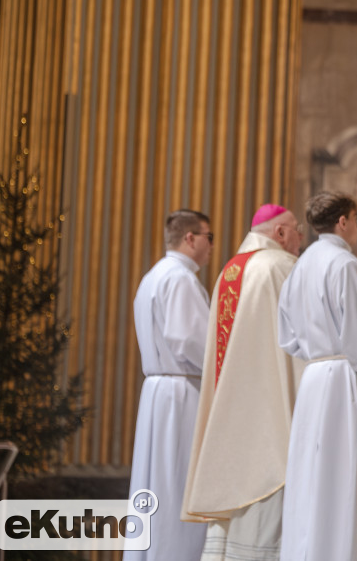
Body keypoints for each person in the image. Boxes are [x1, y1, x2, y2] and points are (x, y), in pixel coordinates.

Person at [181, 204, 305, 561]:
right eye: (296, 230)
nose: (300, 238)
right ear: (280, 233)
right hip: (271, 411)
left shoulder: (230, 270)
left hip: (231, 409)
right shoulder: (282, 267)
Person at [278, 192, 357, 561]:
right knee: (345, 476)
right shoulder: (345, 263)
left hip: (313, 379)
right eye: (356, 220)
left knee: (312, 476)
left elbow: (288, 336)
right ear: (343, 221)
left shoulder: (302, 263)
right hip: (345, 379)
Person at [126, 209, 213, 561]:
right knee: (177, 487)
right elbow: (189, 340)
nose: (211, 246)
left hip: (159, 392)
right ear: (189, 238)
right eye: (209, 237)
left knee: (156, 484)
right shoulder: (180, 279)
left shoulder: (154, 276)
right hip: (182, 393)